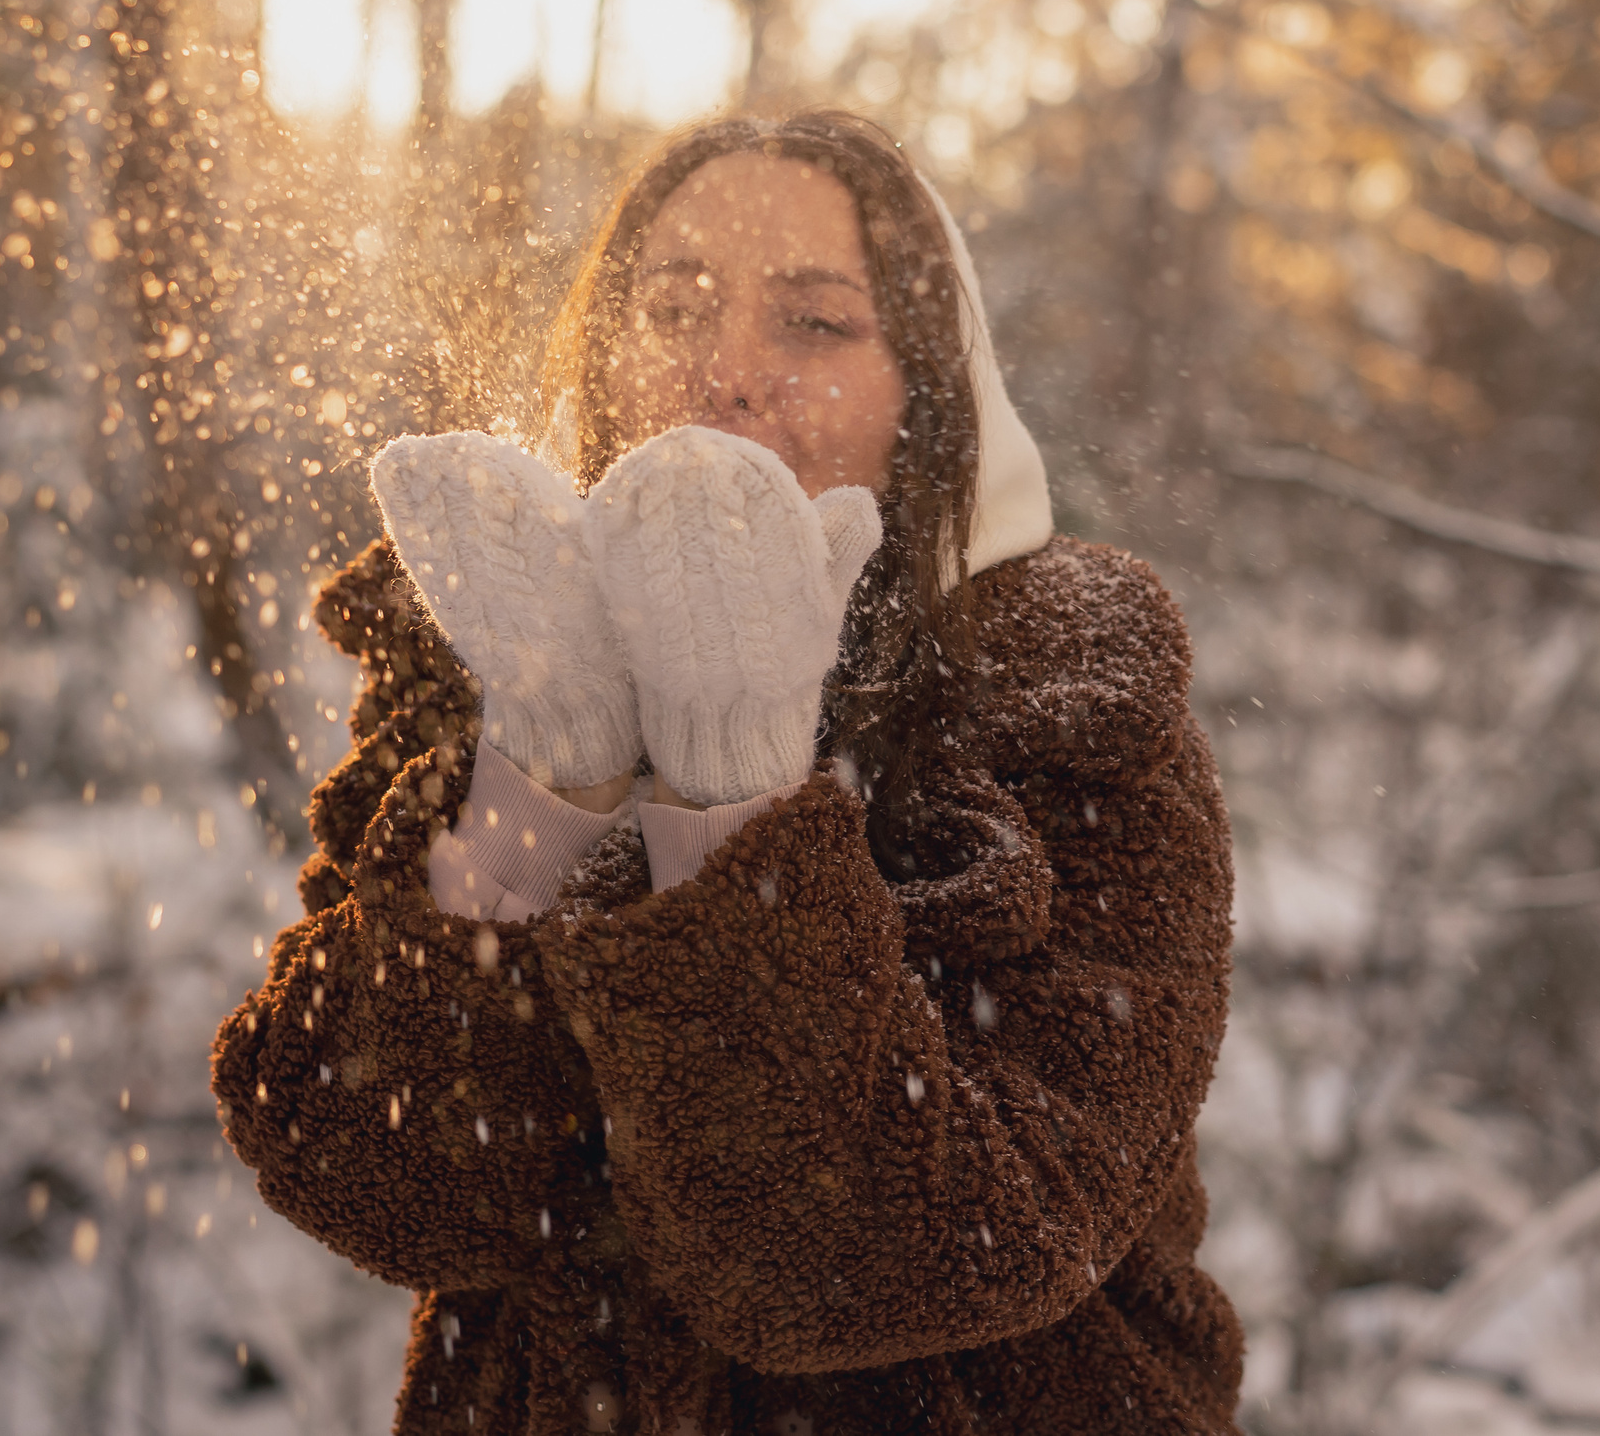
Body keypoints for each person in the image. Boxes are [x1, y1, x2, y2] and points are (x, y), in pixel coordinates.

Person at [212, 111, 1242, 1433]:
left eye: (814, 324)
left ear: (930, 386)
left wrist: (731, 800)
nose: (724, 372)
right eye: (673, 304)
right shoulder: (497, 653)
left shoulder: (1078, 713)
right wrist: (549, 778)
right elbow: (366, 1170)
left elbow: (891, 1256)